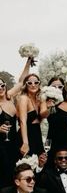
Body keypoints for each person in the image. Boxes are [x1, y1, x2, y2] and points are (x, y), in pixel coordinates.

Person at [0, 58, 32, 186]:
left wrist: (29, 62)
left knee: (15, 173)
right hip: (1, 146)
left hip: (14, 142)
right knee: (4, 174)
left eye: (2, 85)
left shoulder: (10, 97)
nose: (0, 88)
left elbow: (21, 81)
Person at [44, 76, 67, 167]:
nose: (57, 89)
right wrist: (49, 105)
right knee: (49, 167)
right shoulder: (44, 102)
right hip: (51, 140)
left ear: (63, 87)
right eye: (54, 87)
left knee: (64, 166)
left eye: (60, 87)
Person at [16, 74, 48, 158]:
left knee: (39, 164)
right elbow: (23, 122)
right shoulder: (24, 98)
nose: (33, 85)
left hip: (37, 134)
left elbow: (43, 115)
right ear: (26, 85)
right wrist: (25, 143)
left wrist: (49, 106)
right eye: (29, 83)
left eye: (36, 82)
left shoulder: (40, 98)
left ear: (39, 84)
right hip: (26, 135)